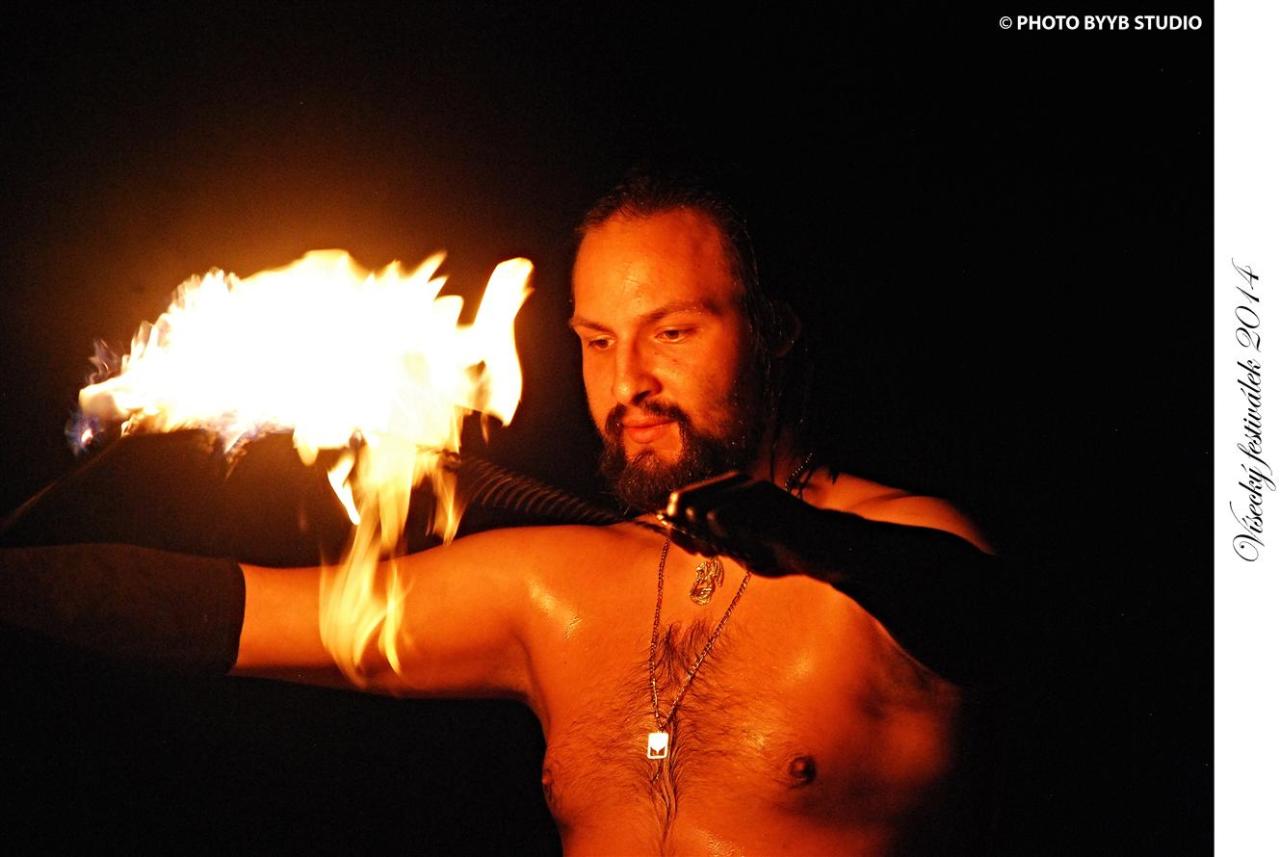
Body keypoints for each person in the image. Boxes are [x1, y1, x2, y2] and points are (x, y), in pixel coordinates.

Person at [2, 169, 1016, 855]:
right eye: (597, 340)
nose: (629, 380)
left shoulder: (897, 548)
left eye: (671, 331)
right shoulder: (554, 586)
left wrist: (812, 543)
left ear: (773, 331)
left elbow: (996, 625)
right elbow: (233, 612)